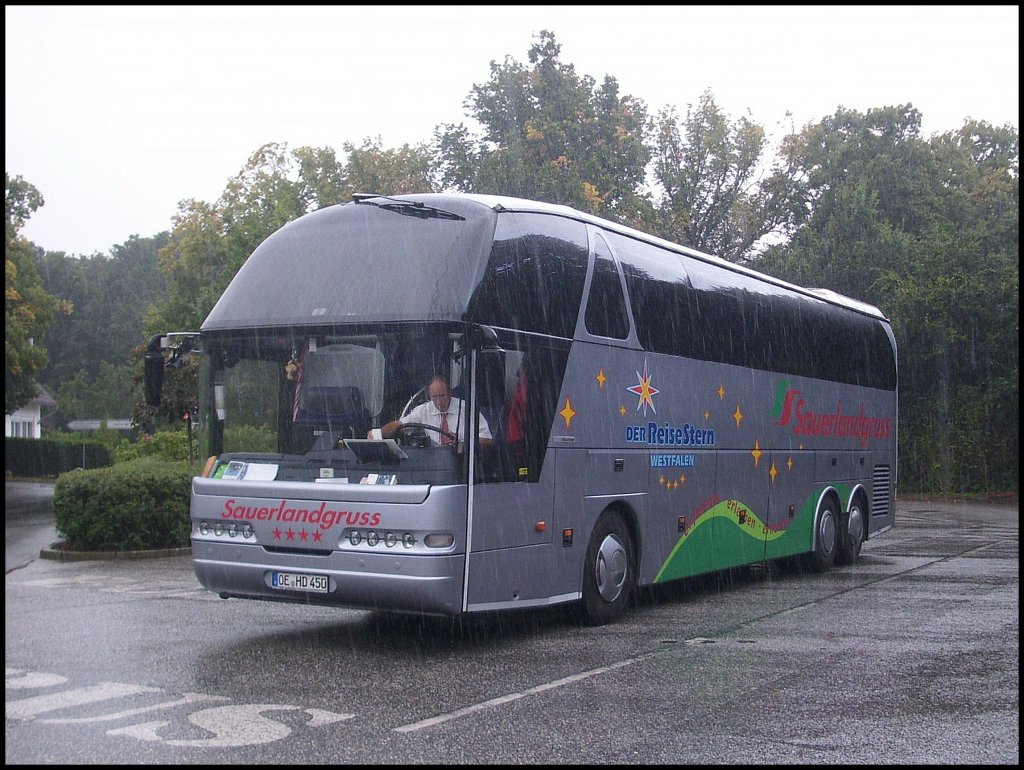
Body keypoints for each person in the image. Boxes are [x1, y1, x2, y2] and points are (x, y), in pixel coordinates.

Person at [376, 375, 492, 448]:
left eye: (442, 396)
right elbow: (399, 425)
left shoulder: (467, 409)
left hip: (461, 463)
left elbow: (489, 442)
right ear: (429, 396)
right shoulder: (424, 410)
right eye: (434, 397)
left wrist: (462, 440)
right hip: (434, 464)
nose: (439, 402)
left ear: (450, 393)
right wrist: (377, 434)